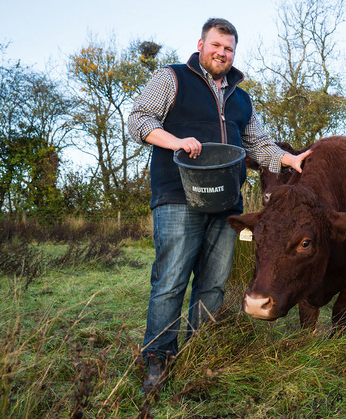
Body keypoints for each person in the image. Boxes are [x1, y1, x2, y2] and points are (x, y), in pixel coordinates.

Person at [127, 17, 310, 393]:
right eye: (216, 46)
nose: (221, 53)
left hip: (226, 204)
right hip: (177, 196)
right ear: (201, 44)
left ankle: (199, 351)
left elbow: (257, 143)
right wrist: (175, 140)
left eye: (228, 49)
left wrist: (290, 161)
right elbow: (138, 119)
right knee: (171, 280)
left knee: (213, 284)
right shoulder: (173, 78)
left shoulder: (241, 98)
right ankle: (157, 359)